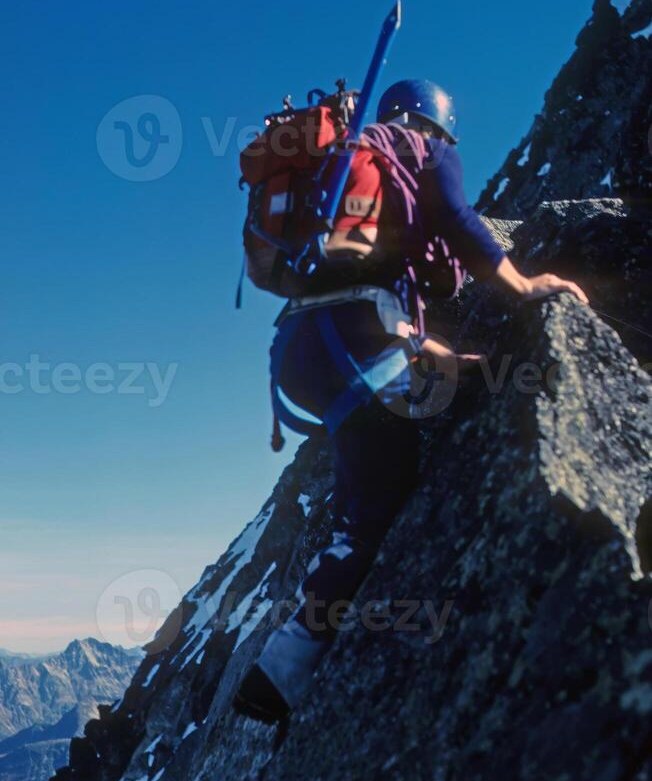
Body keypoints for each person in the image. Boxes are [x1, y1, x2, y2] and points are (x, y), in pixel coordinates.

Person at [233, 79, 588, 724]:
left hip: (302, 348)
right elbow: (458, 220)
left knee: (371, 466)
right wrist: (521, 283)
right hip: (358, 337)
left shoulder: (345, 171)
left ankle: (288, 660)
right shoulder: (423, 152)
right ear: (439, 124)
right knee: (376, 499)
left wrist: (441, 354)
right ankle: (286, 667)